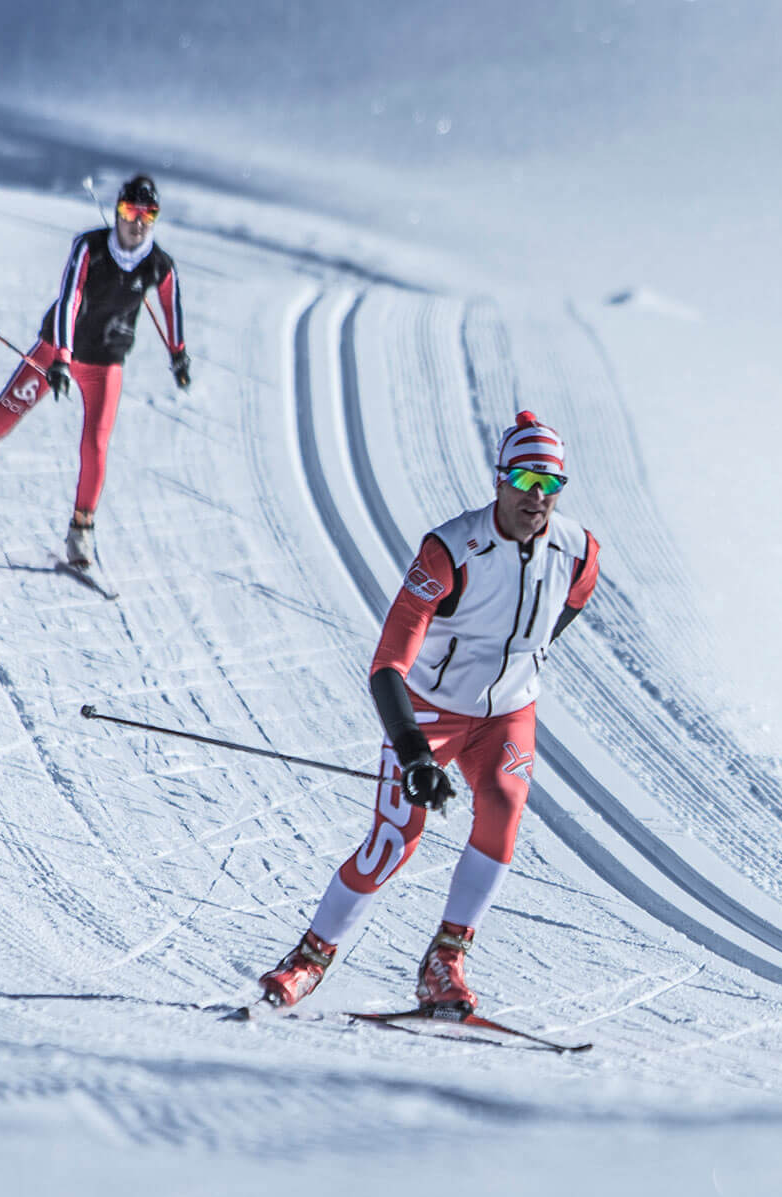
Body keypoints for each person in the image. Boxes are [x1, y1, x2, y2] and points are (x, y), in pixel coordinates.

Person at [258, 411, 602, 1013]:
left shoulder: (578, 551)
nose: (536, 497)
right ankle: (310, 958)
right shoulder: (451, 550)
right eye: (525, 479)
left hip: (506, 716)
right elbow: (387, 664)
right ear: (499, 480)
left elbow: (570, 604)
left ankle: (445, 960)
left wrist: (522, 660)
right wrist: (415, 751)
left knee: (502, 806)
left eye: (551, 484)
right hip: (430, 713)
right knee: (394, 840)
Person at [0, 173, 188, 569]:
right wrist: (61, 356)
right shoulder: (91, 248)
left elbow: (172, 308)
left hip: (105, 365)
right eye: (130, 211)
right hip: (54, 354)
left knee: (95, 446)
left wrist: (179, 356)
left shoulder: (158, 265)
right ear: (117, 212)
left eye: (148, 215)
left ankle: (81, 532)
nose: (137, 223)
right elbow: (70, 299)